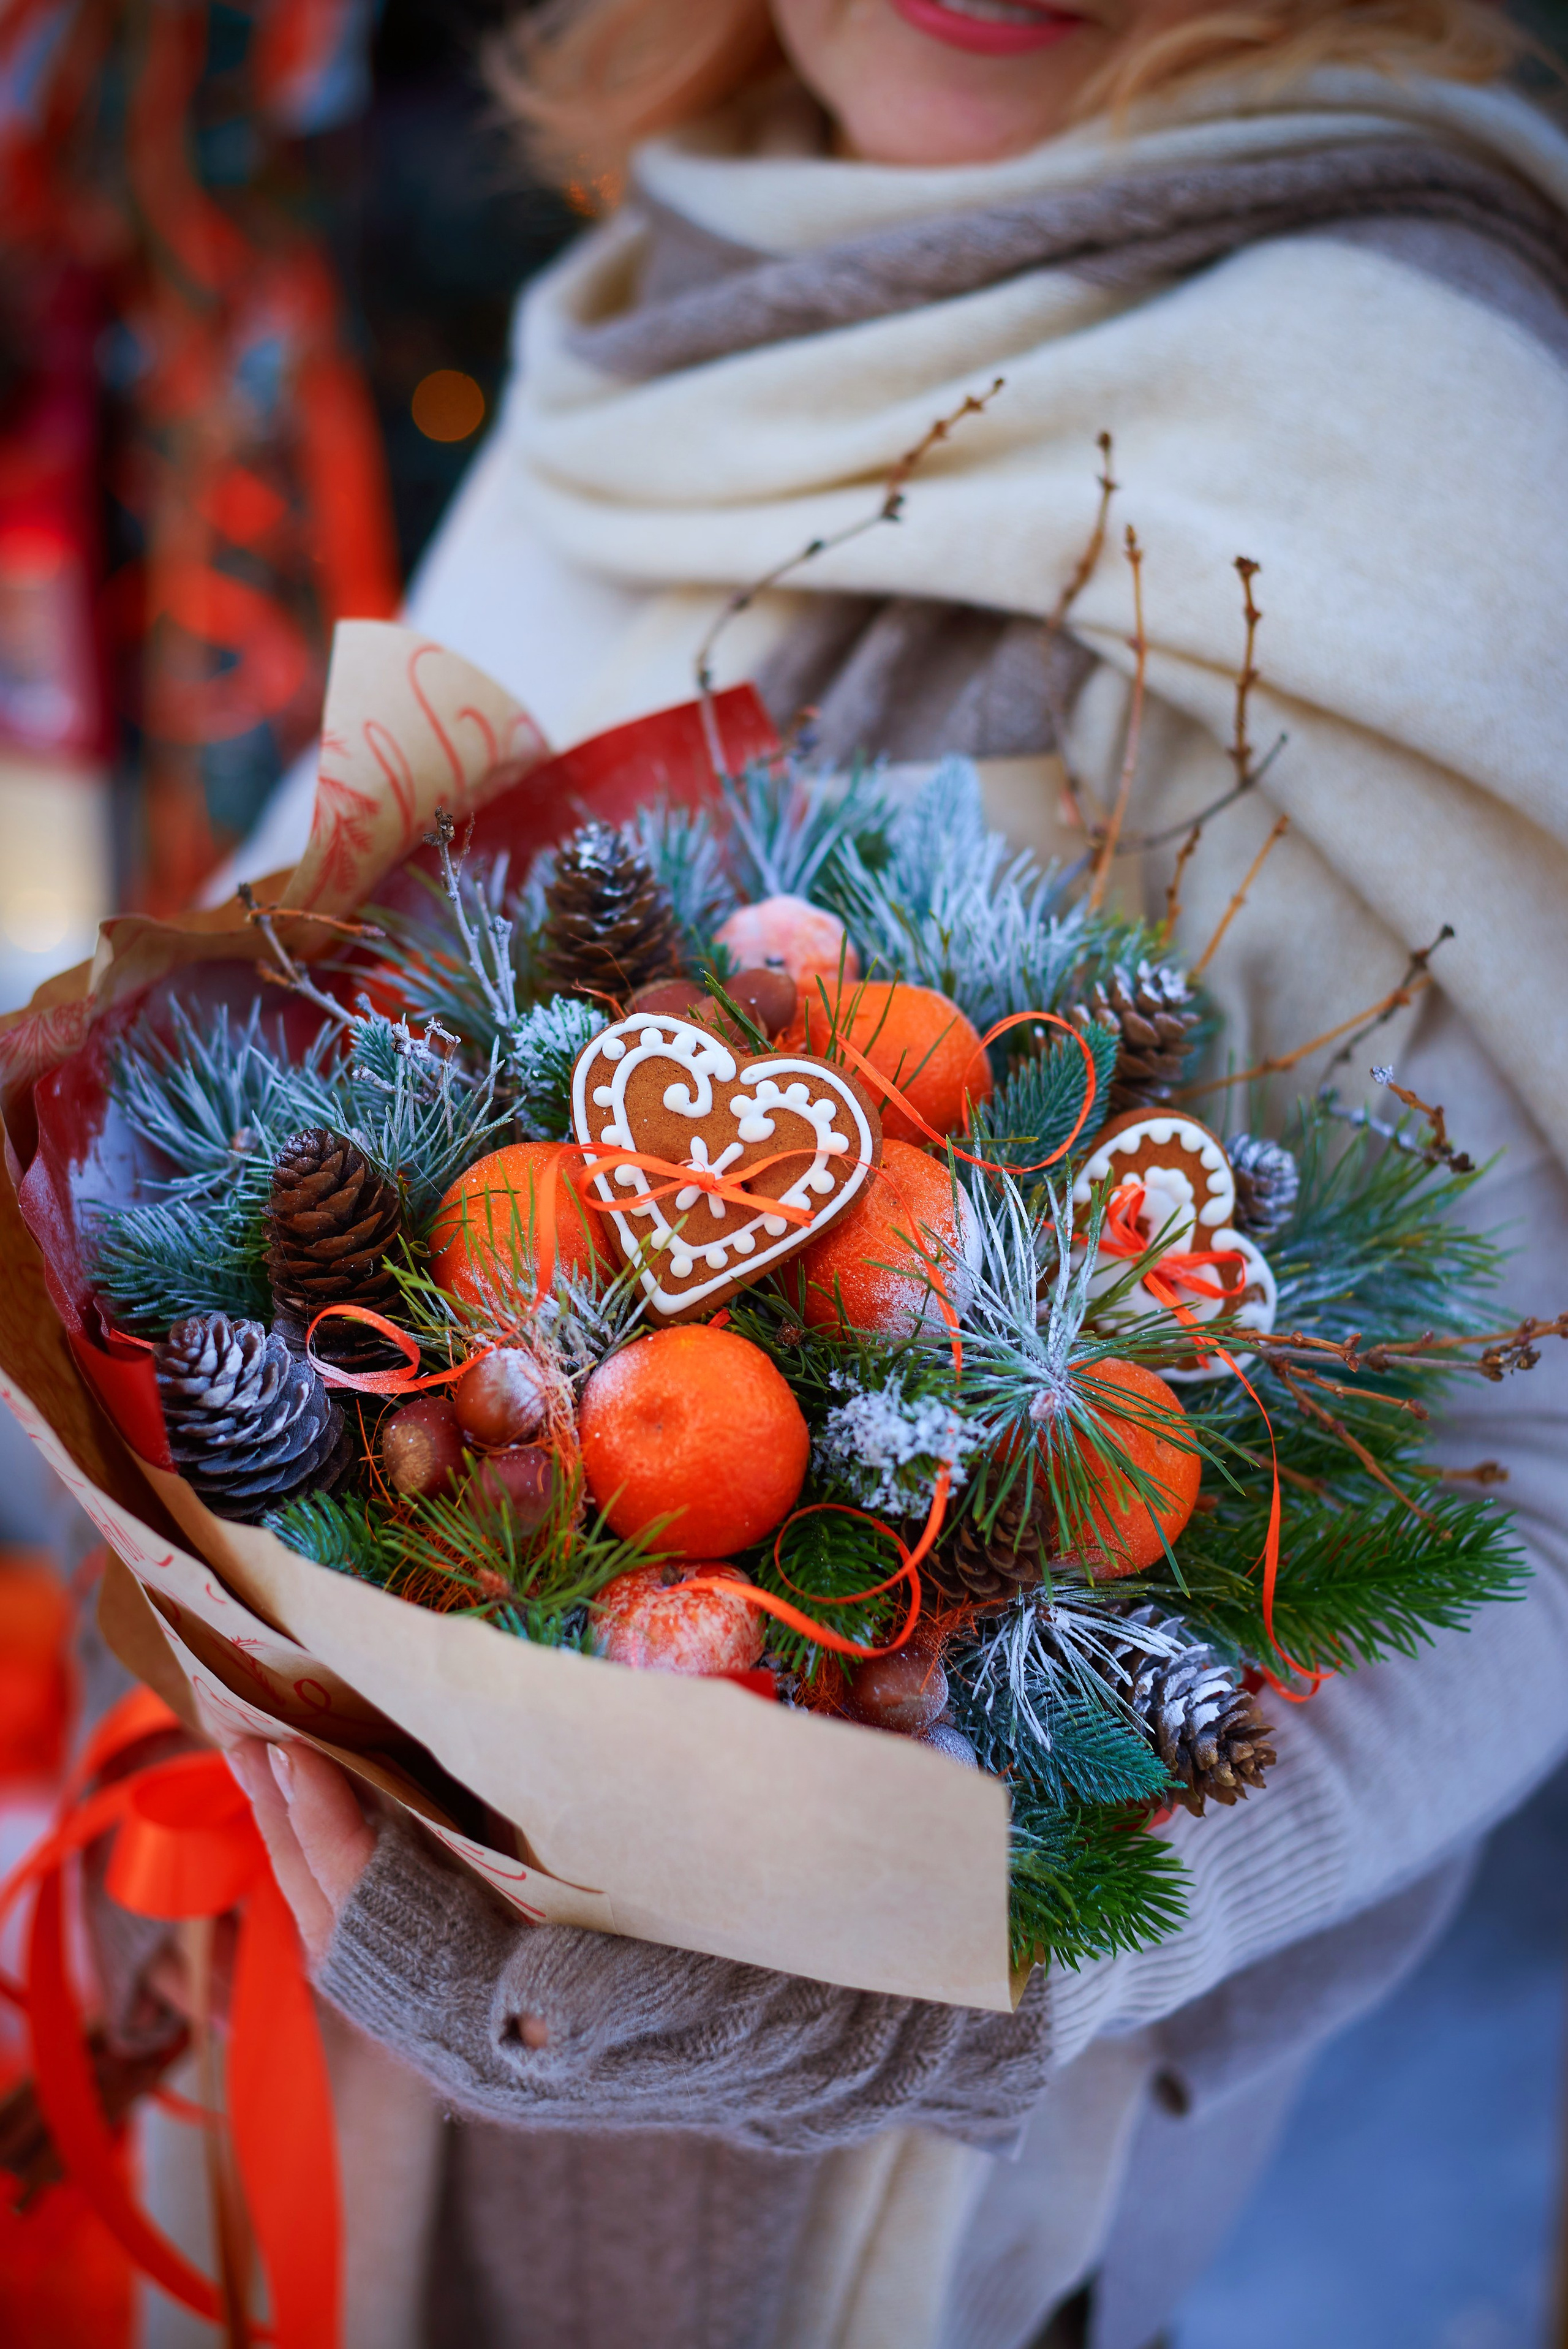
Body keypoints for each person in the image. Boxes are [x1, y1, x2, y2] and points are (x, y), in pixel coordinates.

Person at [220, 2, 1568, 2343]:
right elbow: (280, 975)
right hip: (304, 2094)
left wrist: (906, 1982)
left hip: (908, 2237)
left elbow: (1516, 1498)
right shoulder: (663, 299)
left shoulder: (1426, 435)